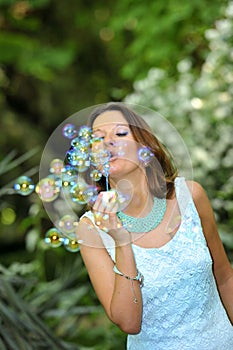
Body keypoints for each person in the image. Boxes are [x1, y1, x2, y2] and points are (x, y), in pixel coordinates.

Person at [76, 102, 233, 349]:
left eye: (119, 133)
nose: (107, 143)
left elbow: (225, 278)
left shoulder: (190, 196)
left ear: (145, 145)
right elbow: (129, 323)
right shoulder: (91, 228)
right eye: (97, 139)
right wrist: (121, 241)